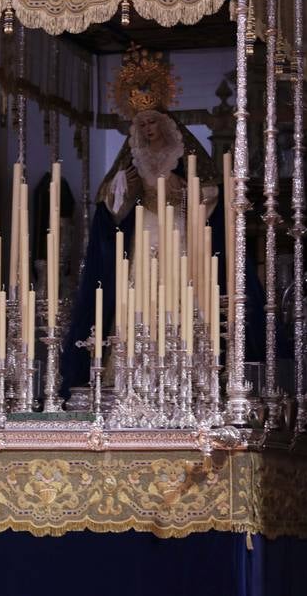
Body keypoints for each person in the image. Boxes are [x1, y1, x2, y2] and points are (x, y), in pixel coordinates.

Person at [60, 47, 218, 399]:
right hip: (145, 230)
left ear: (165, 122)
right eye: (142, 124)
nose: (148, 130)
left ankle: (184, 371)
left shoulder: (186, 153)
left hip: (178, 230)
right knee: (140, 295)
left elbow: (209, 194)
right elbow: (111, 203)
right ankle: (130, 372)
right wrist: (124, 192)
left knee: (179, 294)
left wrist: (188, 194)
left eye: (153, 123)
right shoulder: (132, 158)